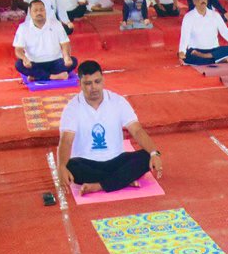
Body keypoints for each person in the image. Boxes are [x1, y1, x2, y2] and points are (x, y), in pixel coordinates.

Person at [58, 61, 163, 194]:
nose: (94, 87)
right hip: (86, 163)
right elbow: (66, 140)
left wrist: (154, 153)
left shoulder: (118, 101)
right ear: (80, 83)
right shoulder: (72, 108)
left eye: (97, 81)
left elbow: (136, 130)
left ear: (103, 80)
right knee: (70, 166)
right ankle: (122, 179)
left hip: (116, 160)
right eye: (88, 83)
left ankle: (99, 185)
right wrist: (61, 167)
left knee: (146, 156)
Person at [14, 0, 75, 81]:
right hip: (34, 63)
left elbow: (65, 43)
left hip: (55, 62)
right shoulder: (23, 27)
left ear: (45, 11)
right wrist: (24, 58)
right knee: (19, 64)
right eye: (35, 10)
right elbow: (18, 49)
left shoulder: (56, 24)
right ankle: (54, 77)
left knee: (73, 61)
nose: (39, 13)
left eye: (41, 10)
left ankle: (37, 76)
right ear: (30, 13)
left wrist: (67, 56)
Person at [178, 0, 228, 65]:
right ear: (194, 1)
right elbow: (185, 36)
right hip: (196, 50)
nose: (202, 1)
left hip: (214, 50)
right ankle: (218, 59)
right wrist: (182, 51)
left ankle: (208, 57)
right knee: (188, 57)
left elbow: (225, 31)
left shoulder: (215, 15)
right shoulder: (188, 17)